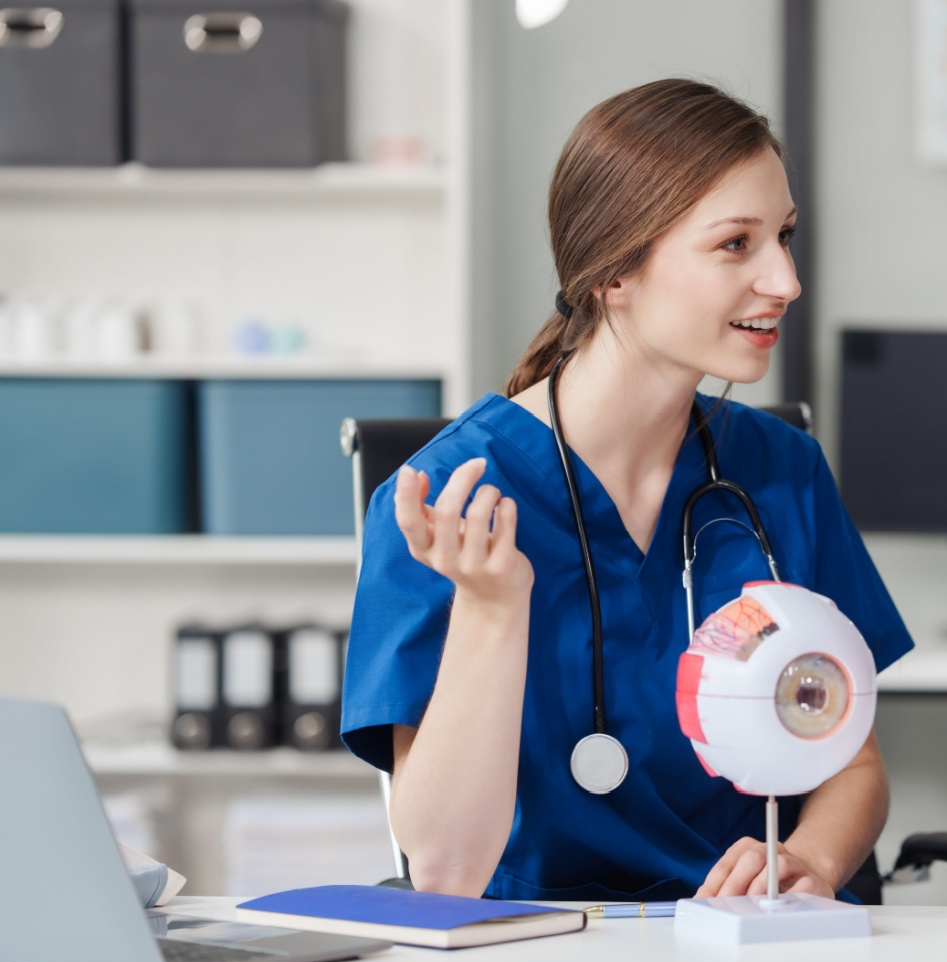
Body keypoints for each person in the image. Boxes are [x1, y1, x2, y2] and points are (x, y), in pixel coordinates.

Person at [341, 79, 912, 904]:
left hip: (756, 955)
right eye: (735, 245)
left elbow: (851, 761)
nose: (785, 279)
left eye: (783, 236)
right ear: (614, 274)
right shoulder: (446, 505)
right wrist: (493, 609)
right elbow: (445, 870)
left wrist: (812, 863)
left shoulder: (782, 471)